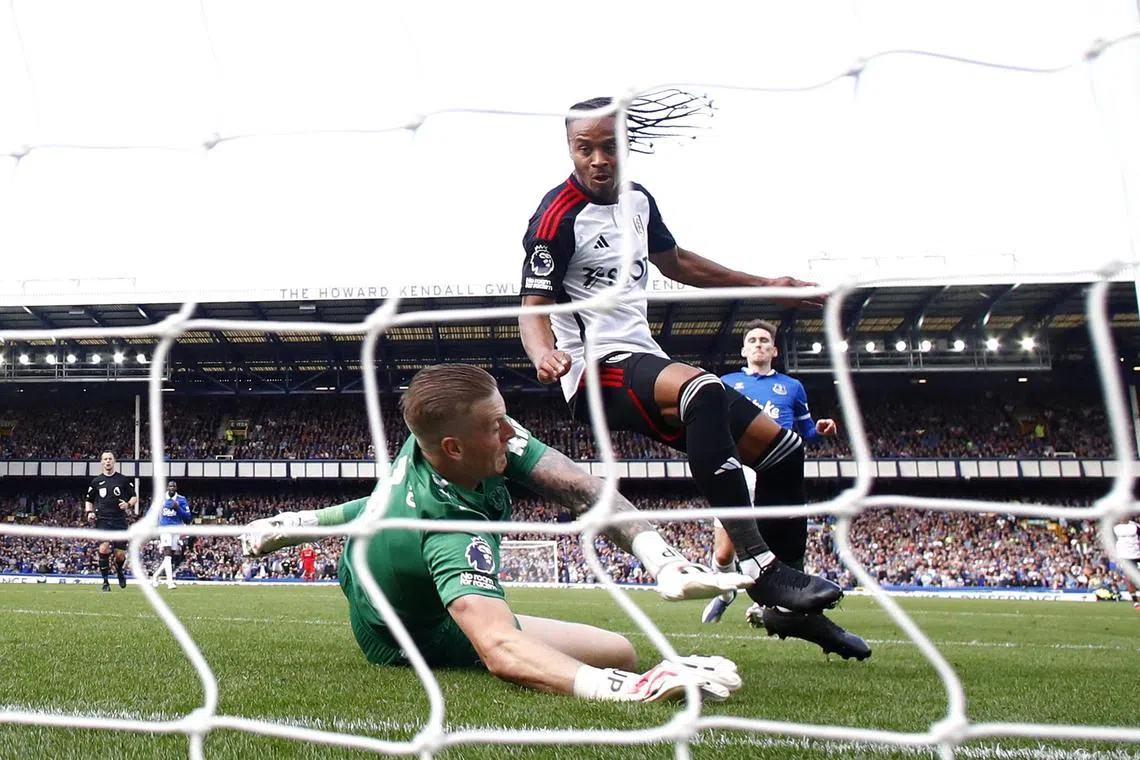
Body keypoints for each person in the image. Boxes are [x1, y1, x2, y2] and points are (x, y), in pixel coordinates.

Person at [241, 364, 746, 701]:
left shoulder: (431, 438)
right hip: (406, 633)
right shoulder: (449, 528)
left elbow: (579, 487)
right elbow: (499, 648)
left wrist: (662, 560)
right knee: (619, 653)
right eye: (496, 425)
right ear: (454, 448)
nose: (511, 432)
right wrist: (628, 688)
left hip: (369, 569)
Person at [517, 96, 841, 616]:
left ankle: (793, 611)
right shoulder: (556, 218)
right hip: (592, 371)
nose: (598, 160)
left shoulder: (638, 201)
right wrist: (543, 353)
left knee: (782, 450)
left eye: (609, 147)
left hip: (641, 355)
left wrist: (765, 285)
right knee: (704, 389)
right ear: (570, 150)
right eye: (585, 149)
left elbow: (678, 262)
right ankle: (760, 566)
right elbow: (531, 306)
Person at [699, 319, 870, 660]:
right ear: (744, 350)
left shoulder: (791, 387)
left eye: (765, 340)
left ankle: (782, 610)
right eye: (753, 340)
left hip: (778, 471)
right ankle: (727, 593)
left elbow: (805, 433)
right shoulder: (727, 383)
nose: (759, 344)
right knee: (724, 554)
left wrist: (820, 430)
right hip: (738, 470)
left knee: (783, 548)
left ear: (774, 350)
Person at [84, 451, 137, 592]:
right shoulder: (96, 481)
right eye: (105, 459)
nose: (107, 461)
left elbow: (134, 497)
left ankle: (119, 570)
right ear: (102, 462)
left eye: (110, 459)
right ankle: (105, 582)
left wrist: (128, 504)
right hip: (103, 520)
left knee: (120, 555)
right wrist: (89, 513)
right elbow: (89, 500)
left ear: (114, 461)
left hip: (119, 520)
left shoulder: (123, 480)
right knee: (103, 548)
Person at [151, 479, 192, 590]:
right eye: (170, 486)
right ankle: (170, 582)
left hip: (176, 528)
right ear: (167, 488)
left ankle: (155, 576)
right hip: (164, 528)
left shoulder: (181, 499)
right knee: (167, 553)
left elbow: (188, 517)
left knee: (169, 557)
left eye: (174, 486)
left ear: (176, 488)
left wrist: (178, 508)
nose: (172, 488)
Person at [1113, 518, 1140, 609]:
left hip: (1137, 555)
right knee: (1129, 579)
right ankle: (1135, 602)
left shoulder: (1135, 527)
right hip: (1125, 557)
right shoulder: (1115, 528)